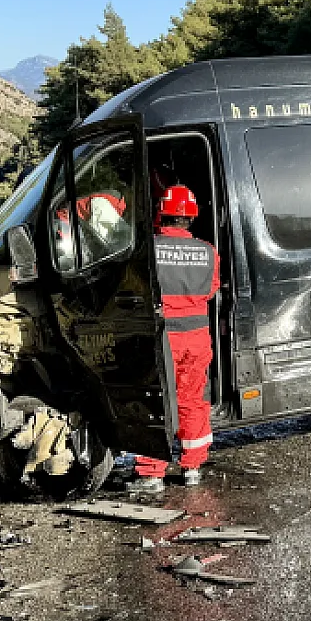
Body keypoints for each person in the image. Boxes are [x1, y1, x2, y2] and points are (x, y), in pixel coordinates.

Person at [130, 185, 219, 490]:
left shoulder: (148, 249)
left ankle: (152, 473)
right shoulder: (208, 251)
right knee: (192, 399)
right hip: (196, 338)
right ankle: (192, 467)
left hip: (163, 338)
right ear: (191, 217)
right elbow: (211, 289)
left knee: (157, 402)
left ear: (161, 214)